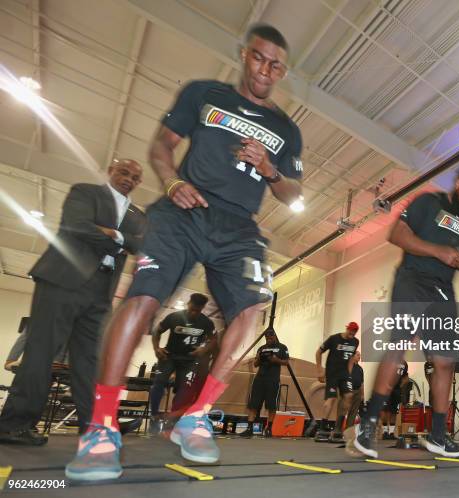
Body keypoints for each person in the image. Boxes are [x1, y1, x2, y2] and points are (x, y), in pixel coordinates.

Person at [65, 23, 303, 481]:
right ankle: (102, 426)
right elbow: (162, 145)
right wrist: (172, 181)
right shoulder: (203, 93)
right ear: (244, 54)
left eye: (276, 65)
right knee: (143, 299)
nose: (265, 70)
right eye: (258, 58)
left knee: (255, 309)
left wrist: (271, 169)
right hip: (184, 208)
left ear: (283, 70)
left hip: (239, 227)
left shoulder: (286, 130)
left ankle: (196, 416)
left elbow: (292, 196)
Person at [0, 160, 145, 446]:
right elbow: (76, 226)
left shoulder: (138, 214)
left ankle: (97, 425)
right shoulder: (85, 192)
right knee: (42, 351)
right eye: (124, 172)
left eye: (135, 177)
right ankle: (13, 424)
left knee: (91, 361)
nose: (129, 179)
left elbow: (142, 244)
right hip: (62, 279)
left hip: (102, 291)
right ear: (111, 171)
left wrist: (111, 234)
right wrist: (123, 241)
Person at [350, 165, 459, 459]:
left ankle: (438, 436)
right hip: (412, 280)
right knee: (398, 347)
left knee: (444, 362)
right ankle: (368, 424)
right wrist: (439, 251)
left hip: (443, 290)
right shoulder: (429, 202)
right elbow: (396, 234)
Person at [149, 293, 216, 430]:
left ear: (202, 308)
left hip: (190, 360)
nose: (193, 312)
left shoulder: (206, 323)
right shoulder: (174, 317)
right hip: (169, 356)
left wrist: (203, 350)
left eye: (197, 311)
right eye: (192, 309)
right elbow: (157, 331)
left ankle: (173, 419)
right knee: (159, 382)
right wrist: (157, 348)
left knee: (184, 390)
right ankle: (154, 416)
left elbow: (214, 339)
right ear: (188, 304)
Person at [315, 322, 359, 442]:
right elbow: (318, 352)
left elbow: (350, 359)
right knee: (331, 399)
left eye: (354, 331)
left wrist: (349, 375)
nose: (352, 333)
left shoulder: (355, 342)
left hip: (344, 375)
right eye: (351, 330)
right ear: (347, 329)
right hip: (332, 374)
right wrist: (319, 369)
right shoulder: (334, 339)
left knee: (349, 396)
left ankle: (338, 428)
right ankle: (322, 428)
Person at [240, 329, 289, 438]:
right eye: (267, 338)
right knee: (253, 404)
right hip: (260, 379)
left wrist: (275, 360)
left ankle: (269, 429)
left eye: (270, 337)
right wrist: (259, 359)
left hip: (273, 380)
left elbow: (286, 362)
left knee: (271, 405)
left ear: (275, 336)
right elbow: (255, 364)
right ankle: (249, 428)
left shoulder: (282, 347)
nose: (268, 339)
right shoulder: (262, 348)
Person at [380, 360, 409, 439]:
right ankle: (385, 432)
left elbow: (405, 377)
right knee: (385, 410)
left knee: (393, 411)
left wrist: (401, 386)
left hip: (396, 390)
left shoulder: (404, 363)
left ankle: (391, 432)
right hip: (386, 389)